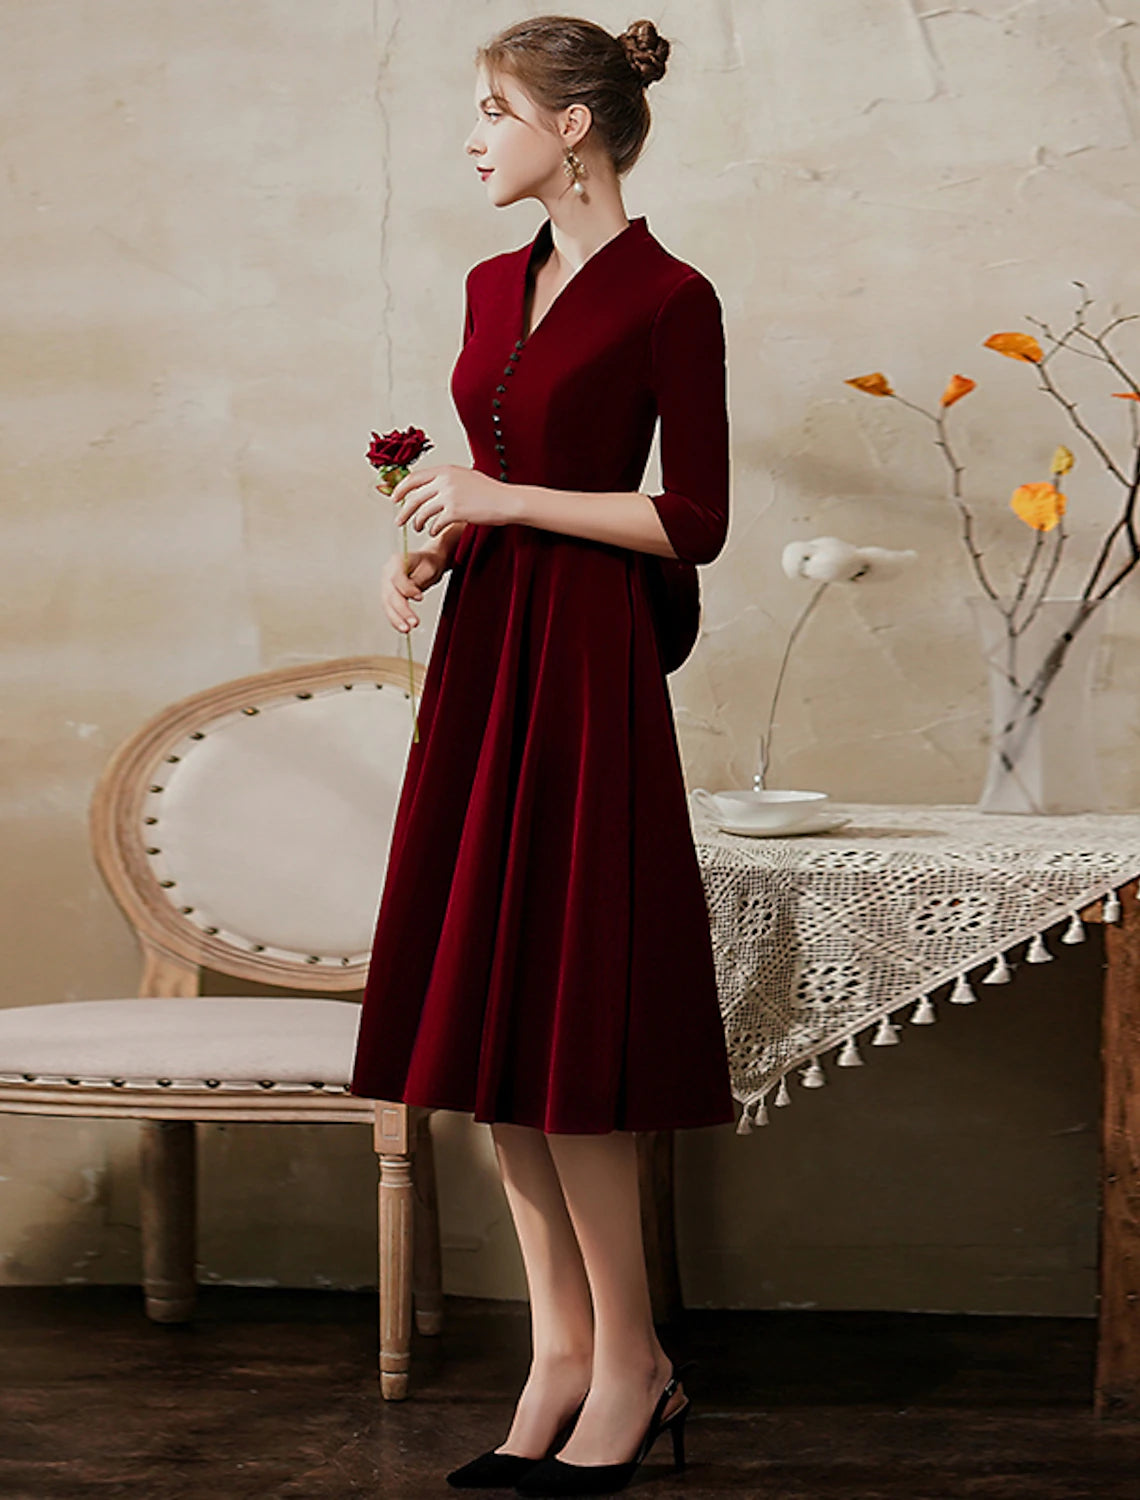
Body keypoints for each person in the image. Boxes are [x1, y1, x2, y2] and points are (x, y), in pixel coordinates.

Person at [348, 15, 736, 1495]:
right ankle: (558, 1355)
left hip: (584, 671)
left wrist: (502, 503)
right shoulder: (489, 282)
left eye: (494, 110)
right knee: (498, 1014)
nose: (472, 138)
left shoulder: (672, 297)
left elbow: (690, 521)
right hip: (489, 653)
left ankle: (633, 1362)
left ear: (574, 127)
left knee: (567, 1021)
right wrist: (437, 545)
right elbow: (495, 480)